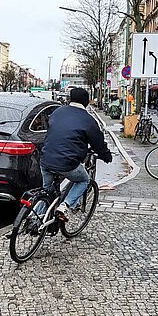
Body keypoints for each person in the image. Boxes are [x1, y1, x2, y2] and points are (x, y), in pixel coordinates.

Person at [40, 88, 113, 221]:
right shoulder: (88, 120)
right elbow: (98, 144)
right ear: (86, 102)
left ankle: (35, 219)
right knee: (83, 180)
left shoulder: (58, 111)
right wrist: (106, 156)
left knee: (46, 191)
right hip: (67, 163)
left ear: (70, 99)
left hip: (45, 159)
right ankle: (65, 206)